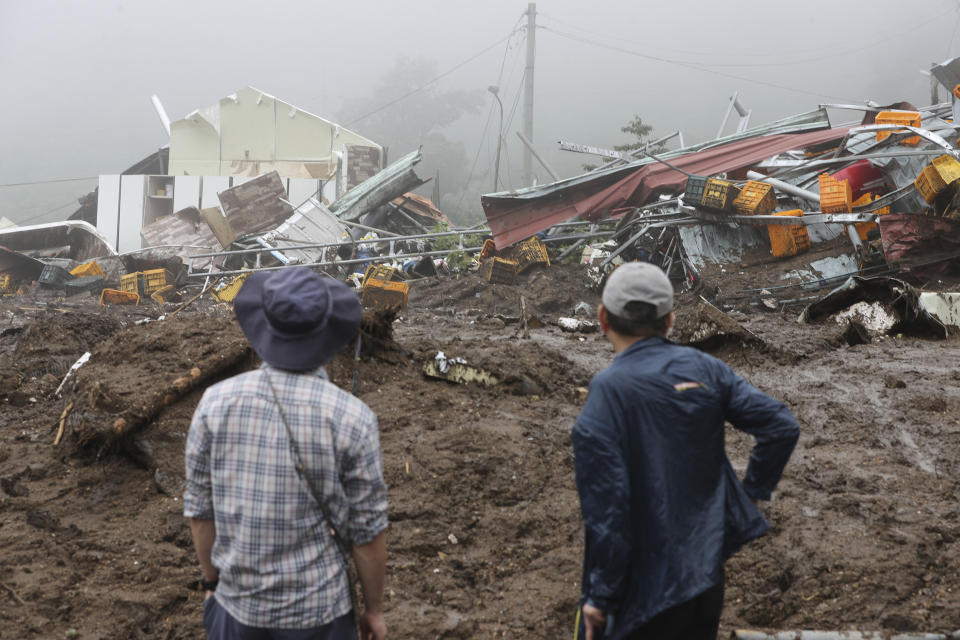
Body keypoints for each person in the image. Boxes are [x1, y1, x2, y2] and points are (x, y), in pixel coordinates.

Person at [572, 262, 798, 640]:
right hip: (704, 576)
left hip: (640, 593)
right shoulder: (707, 369)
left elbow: (609, 509)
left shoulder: (608, 393)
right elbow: (780, 425)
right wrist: (751, 495)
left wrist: (600, 595)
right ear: (670, 320)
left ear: (602, 319)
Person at [184, 267, 388, 640]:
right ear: (329, 332)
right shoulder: (354, 419)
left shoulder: (214, 404)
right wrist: (373, 610)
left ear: (263, 324)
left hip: (237, 611)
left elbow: (200, 513)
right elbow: (368, 534)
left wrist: (210, 581)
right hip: (321, 615)